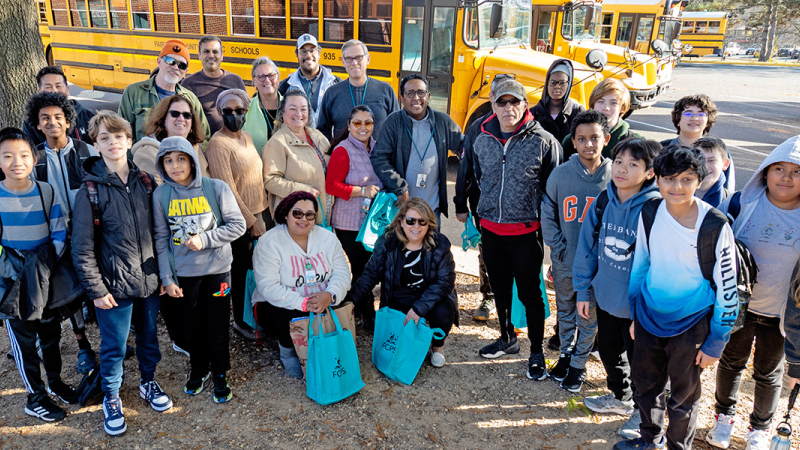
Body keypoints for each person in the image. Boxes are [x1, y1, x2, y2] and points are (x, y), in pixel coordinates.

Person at [616, 146, 738, 450]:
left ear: (699, 180)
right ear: (656, 180)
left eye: (686, 179)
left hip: (691, 324)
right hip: (647, 317)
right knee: (645, 387)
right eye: (669, 179)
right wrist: (635, 315)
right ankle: (649, 439)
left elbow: (728, 287)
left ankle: (677, 447)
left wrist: (717, 340)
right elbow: (640, 264)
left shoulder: (714, 224)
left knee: (683, 397)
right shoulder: (650, 212)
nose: (677, 187)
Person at [71, 111, 172, 437]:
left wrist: (161, 275)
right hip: (113, 286)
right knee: (114, 347)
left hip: (147, 279)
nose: (113, 142)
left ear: (129, 141)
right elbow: (82, 247)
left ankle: (147, 381)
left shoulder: (145, 182)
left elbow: (160, 233)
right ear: (95, 144)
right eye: (104, 137)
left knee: (149, 338)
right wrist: (96, 290)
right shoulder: (89, 191)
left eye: (118, 136)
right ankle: (112, 397)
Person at [706, 135, 800, 450]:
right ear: (765, 172)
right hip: (740, 308)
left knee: (768, 372)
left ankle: (759, 429)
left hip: (781, 315)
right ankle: (723, 418)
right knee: (731, 362)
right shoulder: (742, 203)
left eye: (797, 171)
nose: (786, 177)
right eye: (779, 169)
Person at [470, 79, 561, 381]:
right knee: (500, 290)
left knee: (530, 294)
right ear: (493, 105)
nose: (508, 108)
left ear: (525, 104)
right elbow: (474, 180)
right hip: (492, 232)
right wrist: (476, 216)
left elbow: (552, 192)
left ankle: (535, 350)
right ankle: (507, 336)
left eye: (514, 101)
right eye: (501, 102)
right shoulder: (481, 138)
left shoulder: (544, 141)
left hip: (525, 234)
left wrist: (548, 232)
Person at [572, 137, 661, 439]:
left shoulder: (656, 210)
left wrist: (647, 311)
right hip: (607, 299)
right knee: (610, 353)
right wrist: (583, 290)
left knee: (643, 363)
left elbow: (660, 266)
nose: (621, 169)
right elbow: (586, 248)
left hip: (640, 308)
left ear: (650, 172)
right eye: (619, 162)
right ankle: (620, 397)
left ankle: (644, 412)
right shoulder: (604, 200)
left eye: (633, 164)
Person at [153, 136, 246, 403]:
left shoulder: (215, 188)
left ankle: (220, 373)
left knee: (217, 325)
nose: (175, 166)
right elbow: (161, 239)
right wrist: (166, 277)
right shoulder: (162, 195)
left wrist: (205, 239)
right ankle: (199, 369)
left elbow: (237, 226)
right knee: (190, 328)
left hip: (217, 271)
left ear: (192, 160)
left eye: (180, 159)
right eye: (168, 161)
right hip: (184, 276)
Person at [0, 127, 75, 422]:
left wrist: (45, 263)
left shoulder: (46, 191)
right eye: (7, 156)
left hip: (45, 277)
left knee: (51, 334)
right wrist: (13, 268)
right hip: (12, 283)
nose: (16, 162)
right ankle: (36, 396)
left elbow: (58, 230)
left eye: (23, 155)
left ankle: (55, 381)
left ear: (33, 158)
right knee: (24, 341)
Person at [24, 91, 100, 374]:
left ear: (68, 121)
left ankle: (110, 340)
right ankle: (83, 346)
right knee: (69, 296)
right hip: (55, 238)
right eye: (45, 118)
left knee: (97, 288)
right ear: (37, 124)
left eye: (58, 117)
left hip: (91, 236)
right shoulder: (35, 159)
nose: (52, 122)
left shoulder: (86, 152)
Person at [541, 110, 612, 392]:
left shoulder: (614, 177)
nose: (588, 145)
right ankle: (566, 355)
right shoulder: (560, 175)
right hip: (565, 260)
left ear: (606, 139)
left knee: (588, 315)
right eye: (581, 139)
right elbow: (547, 213)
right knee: (566, 311)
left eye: (594, 138)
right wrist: (557, 245)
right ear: (573, 141)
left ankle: (579, 364)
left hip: (597, 267)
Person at [251, 192, 351, 378]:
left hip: (322, 298)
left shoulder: (327, 238)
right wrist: (304, 303)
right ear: (286, 214)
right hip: (276, 303)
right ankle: (288, 351)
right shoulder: (269, 242)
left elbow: (342, 273)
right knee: (289, 313)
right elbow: (269, 287)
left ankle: (332, 343)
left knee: (345, 298)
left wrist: (330, 294)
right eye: (297, 213)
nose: (303, 219)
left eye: (310, 214)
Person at [348, 198, 457, 366]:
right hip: (397, 296)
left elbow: (445, 281)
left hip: (428, 296)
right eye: (410, 221)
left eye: (422, 222)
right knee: (395, 353)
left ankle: (437, 347)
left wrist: (418, 308)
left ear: (429, 224)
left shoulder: (440, 244)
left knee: (444, 312)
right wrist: (351, 300)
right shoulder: (387, 242)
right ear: (401, 221)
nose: (416, 226)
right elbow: (370, 274)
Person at [205, 89, 271, 341]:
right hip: (240, 221)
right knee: (242, 272)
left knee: (259, 269)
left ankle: (257, 314)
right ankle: (242, 321)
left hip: (260, 211)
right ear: (221, 113)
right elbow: (227, 188)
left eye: (240, 111)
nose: (234, 115)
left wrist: (262, 215)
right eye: (228, 111)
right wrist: (251, 221)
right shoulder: (218, 144)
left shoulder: (247, 138)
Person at [454, 75, 515, 322]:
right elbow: (465, 166)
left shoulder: (529, 126)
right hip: (483, 203)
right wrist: (460, 202)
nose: (507, 104)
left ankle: (514, 304)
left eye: (512, 98)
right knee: (488, 251)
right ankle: (488, 295)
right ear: (491, 98)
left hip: (518, 207)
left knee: (517, 254)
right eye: (500, 97)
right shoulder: (477, 127)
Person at [370, 74, 462, 223]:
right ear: (401, 98)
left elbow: (463, 147)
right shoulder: (394, 122)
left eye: (421, 92)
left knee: (433, 246)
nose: (416, 98)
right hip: (402, 209)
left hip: (432, 210)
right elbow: (379, 157)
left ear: (428, 95)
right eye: (410, 93)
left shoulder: (442, 121)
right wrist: (399, 187)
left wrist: (468, 174)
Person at [325, 105, 382, 292]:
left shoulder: (378, 148)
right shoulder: (342, 151)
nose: (362, 127)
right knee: (361, 269)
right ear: (349, 125)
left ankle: (356, 308)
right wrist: (361, 191)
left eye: (368, 123)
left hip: (371, 222)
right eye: (357, 123)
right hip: (348, 223)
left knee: (369, 269)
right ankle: (363, 314)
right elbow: (331, 186)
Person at [118, 39, 209, 144]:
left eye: (181, 65)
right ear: (159, 62)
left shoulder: (190, 99)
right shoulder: (133, 93)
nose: (175, 67)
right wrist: (134, 159)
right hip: (143, 158)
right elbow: (122, 133)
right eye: (170, 61)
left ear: (185, 72)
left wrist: (190, 157)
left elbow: (204, 137)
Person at [263, 88, 332, 224]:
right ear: (282, 112)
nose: (299, 114)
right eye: (293, 108)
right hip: (296, 218)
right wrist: (304, 191)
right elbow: (270, 181)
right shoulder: (277, 143)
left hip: (322, 214)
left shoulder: (317, 136)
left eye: (303, 109)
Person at [316, 39, 399, 142]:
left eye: (359, 58)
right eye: (349, 59)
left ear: (368, 59)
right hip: (344, 157)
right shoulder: (332, 93)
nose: (354, 63)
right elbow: (323, 131)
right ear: (343, 62)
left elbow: (397, 128)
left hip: (378, 156)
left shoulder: (385, 90)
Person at [130, 95, 210, 185]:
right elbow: (151, 196)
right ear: (163, 119)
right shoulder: (147, 153)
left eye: (187, 115)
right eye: (175, 114)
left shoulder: (196, 147)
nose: (181, 119)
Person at [661, 94, 735, 190]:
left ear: (708, 121)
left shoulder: (718, 150)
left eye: (701, 114)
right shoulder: (662, 149)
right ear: (678, 120)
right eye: (688, 114)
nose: (694, 118)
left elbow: (728, 187)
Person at [562, 78, 643, 160]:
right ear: (593, 104)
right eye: (601, 101)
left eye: (613, 103)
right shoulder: (572, 140)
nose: (606, 108)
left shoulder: (635, 143)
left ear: (622, 108)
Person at [182, 35, 247, 136]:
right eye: (206, 51)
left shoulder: (235, 81)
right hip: (204, 145)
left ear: (222, 55)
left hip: (234, 140)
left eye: (215, 51)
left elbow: (246, 113)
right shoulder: (188, 84)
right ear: (199, 55)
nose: (211, 55)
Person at [277, 34, 341, 129]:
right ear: (297, 55)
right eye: (303, 51)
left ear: (319, 53)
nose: (308, 55)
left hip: (329, 142)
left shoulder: (336, 84)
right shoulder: (285, 87)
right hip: (298, 142)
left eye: (312, 50)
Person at [23, 66, 96, 146]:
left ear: (67, 89)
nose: (54, 91)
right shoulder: (31, 123)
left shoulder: (88, 116)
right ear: (40, 92)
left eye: (58, 86)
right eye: (48, 87)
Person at [530, 59, 585, 143]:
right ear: (547, 84)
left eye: (562, 83)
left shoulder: (577, 112)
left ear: (569, 84)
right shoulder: (533, 113)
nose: (557, 86)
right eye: (553, 82)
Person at [244, 57, 283, 154]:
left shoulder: (290, 106)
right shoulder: (245, 109)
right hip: (255, 167)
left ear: (278, 77)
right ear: (254, 80)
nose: (267, 80)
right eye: (261, 76)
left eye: (271, 75)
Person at [692, 136, 730, 208]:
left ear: (725, 164)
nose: (705, 166)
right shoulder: (676, 194)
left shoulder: (731, 203)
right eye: (699, 160)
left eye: (711, 160)